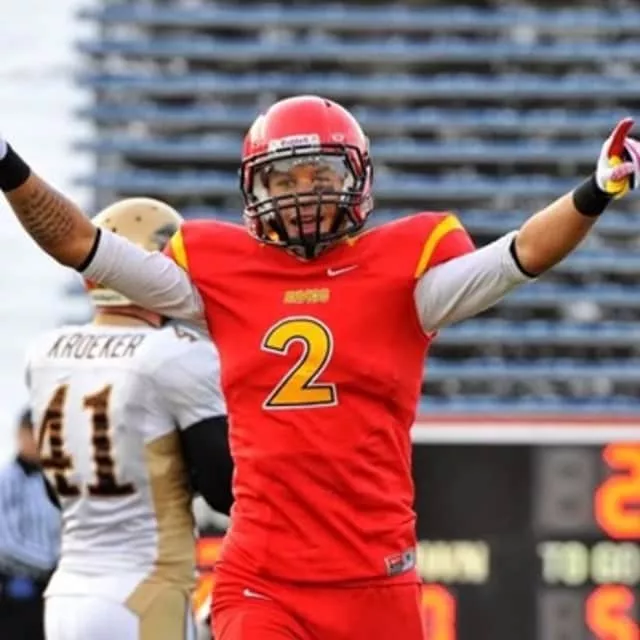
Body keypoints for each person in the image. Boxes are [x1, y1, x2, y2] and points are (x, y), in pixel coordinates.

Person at [0, 96, 639, 640]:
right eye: (284, 181)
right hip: (261, 577)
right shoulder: (219, 276)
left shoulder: (406, 277)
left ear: (355, 178)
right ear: (257, 189)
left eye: (318, 174)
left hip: (375, 577)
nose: (302, 194)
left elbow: (521, 254)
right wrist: (7, 164)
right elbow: (78, 242)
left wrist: (596, 191)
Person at [23, 198, 233, 640]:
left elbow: (54, 487)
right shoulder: (175, 354)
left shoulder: (45, 352)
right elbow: (223, 488)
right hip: (146, 586)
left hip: (66, 591)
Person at [0, 409, 60, 640]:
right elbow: (6, 542)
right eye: (33, 433)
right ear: (21, 434)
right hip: (20, 587)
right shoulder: (6, 480)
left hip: (56, 588)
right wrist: (50, 563)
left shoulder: (57, 479)